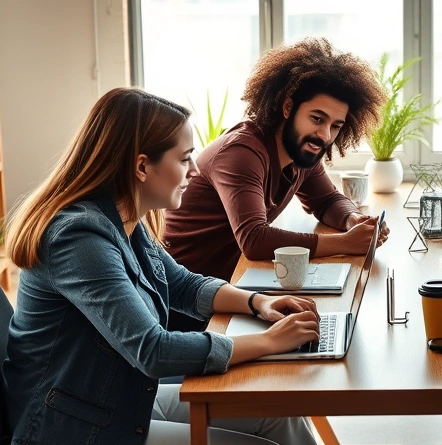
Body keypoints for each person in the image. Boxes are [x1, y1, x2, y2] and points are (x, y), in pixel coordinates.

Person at [3, 88, 337, 445]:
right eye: (184, 159)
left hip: (115, 395)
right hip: (73, 430)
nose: (195, 170)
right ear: (142, 166)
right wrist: (268, 342)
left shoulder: (124, 216)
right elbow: (152, 350)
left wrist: (257, 303)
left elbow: (180, 284)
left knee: (281, 419)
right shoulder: (79, 238)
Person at [164, 37, 389, 331]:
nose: (324, 135)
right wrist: (344, 243)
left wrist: (352, 218)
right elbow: (254, 239)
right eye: (317, 118)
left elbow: (327, 201)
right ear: (287, 108)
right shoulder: (242, 152)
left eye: (336, 126)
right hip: (187, 303)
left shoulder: (301, 151)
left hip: (233, 287)